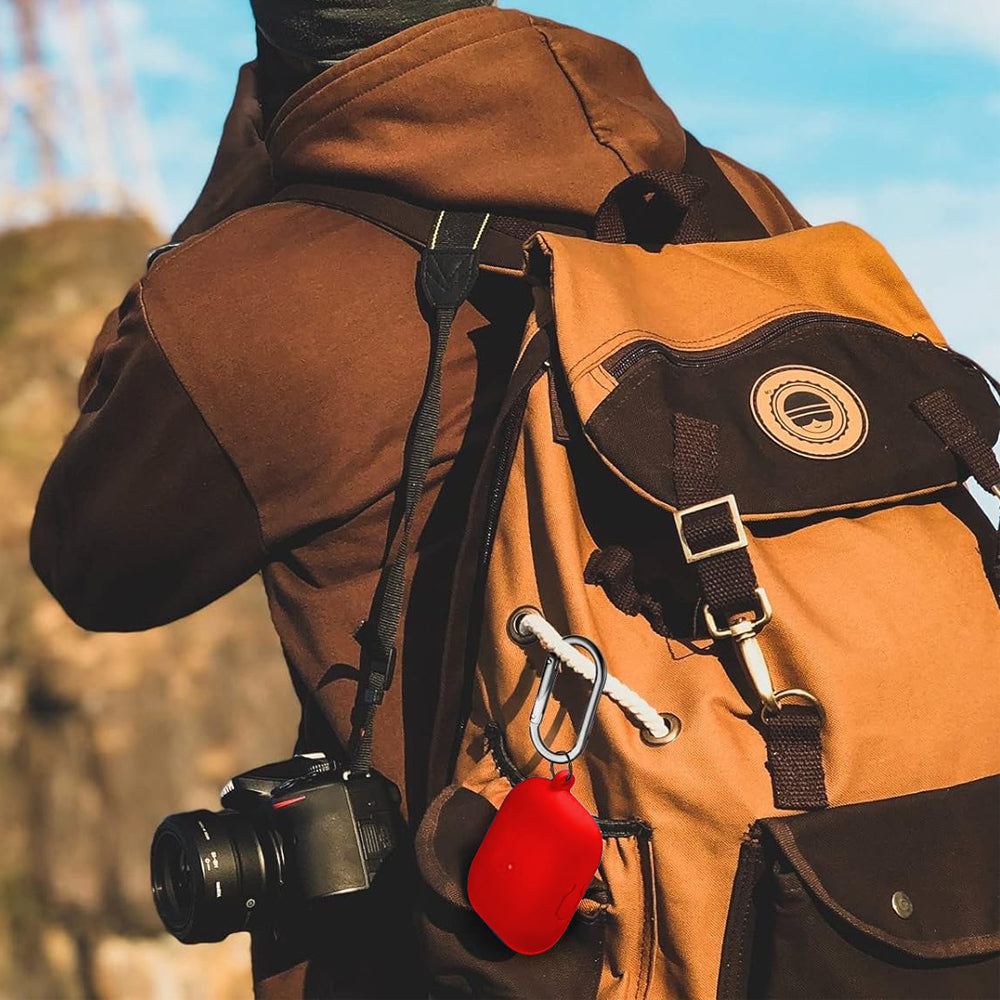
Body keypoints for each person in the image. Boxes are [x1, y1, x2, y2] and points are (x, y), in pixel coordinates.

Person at [30, 2, 808, 996]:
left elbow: (91, 557)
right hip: (843, 897)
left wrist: (226, 202)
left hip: (509, 953)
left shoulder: (265, 293)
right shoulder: (740, 200)